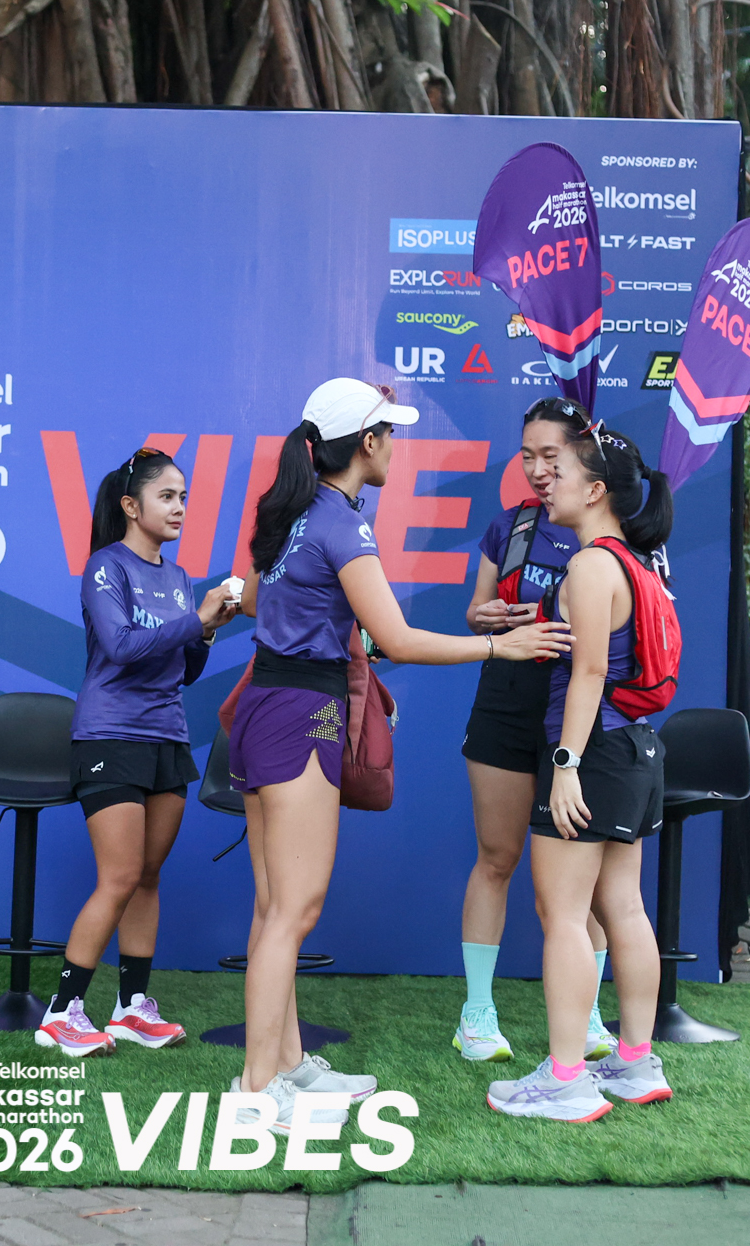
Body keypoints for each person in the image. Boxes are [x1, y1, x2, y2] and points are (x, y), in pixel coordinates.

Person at [228, 378, 571, 1129]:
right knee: (294, 910)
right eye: (389, 433)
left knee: (273, 906)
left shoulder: (290, 511)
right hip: (302, 715)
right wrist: (501, 646)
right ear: (367, 443)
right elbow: (399, 639)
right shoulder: (341, 523)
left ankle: (285, 1064)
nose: (395, 446)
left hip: (263, 706)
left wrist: (323, 621)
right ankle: (255, 1089)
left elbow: (252, 599)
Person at [487, 421, 676, 1123]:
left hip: (592, 752)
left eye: (560, 470)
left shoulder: (592, 567)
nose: (546, 482)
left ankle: (567, 1079)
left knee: (563, 914)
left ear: (595, 491)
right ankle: (635, 1061)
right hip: (633, 750)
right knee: (623, 908)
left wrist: (564, 764)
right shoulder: (637, 563)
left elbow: (590, 671)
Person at [36, 447, 241, 1058]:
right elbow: (122, 646)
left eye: (184, 497)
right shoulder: (106, 567)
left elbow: (184, 668)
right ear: (131, 505)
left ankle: (131, 1009)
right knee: (120, 876)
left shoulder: (178, 579)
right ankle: (62, 1013)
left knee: (147, 877)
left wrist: (208, 628)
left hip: (166, 736)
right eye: (167, 496)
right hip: (110, 735)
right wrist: (196, 619)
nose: (179, 508)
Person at [456, 397, 614, 1065]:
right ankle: (476, 1014)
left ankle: (591, 1015)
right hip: (505, 699)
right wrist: (494, 618)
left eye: (551, 456)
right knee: (497, 858)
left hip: (574, 711)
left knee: (581, 880)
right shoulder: (511, 525)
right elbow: (474, 612)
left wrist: (562, 620)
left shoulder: (605, 532)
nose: (538, 469)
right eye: (528, 456)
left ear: (582, 456)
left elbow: (617, 634)